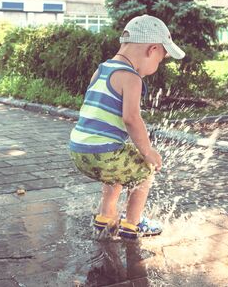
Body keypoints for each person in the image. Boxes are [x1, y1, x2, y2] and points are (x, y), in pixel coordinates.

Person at [69, 14, 185, 239]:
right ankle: (132, 224)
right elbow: (131, 118)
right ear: (151, 50)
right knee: (144, 171)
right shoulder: (131, 78)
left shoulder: (102, 69)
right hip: (103, 151)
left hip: (79, 150)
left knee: (117, 170)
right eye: (160, 60)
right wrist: (148, 151)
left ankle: (105, 217)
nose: (157, 65)